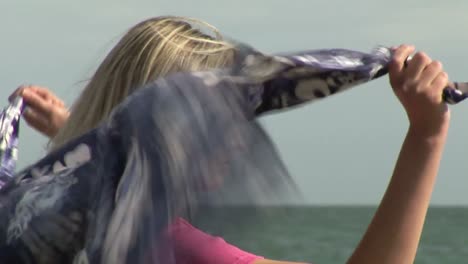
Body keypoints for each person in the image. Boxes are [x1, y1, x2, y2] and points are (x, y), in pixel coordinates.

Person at [7, 15, 449, 264]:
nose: (236, 141)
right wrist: (426, 137)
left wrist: (74, 135)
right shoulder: (164, 245)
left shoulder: (46, 218)